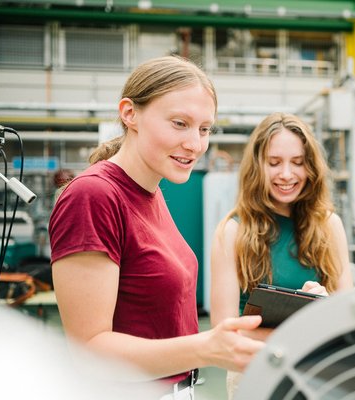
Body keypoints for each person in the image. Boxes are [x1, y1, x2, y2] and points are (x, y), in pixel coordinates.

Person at [48, 56, 264, 399]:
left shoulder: (152, 191)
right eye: (180, 123)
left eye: (205, 129)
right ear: (129, 113)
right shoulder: (94, 195)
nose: (196, 144)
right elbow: (90, 350)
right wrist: (206, 347)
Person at [210, 112, 354, 398]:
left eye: (298, 163)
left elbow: (348, 316)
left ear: (311, 167)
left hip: (317, 374)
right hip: (256, 375)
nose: (286, 174)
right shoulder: (232, 231)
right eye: (274, 163)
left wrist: (324, 304)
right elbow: (224, 332)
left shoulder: (329, 225)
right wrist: (308, 324)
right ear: (257, 166)